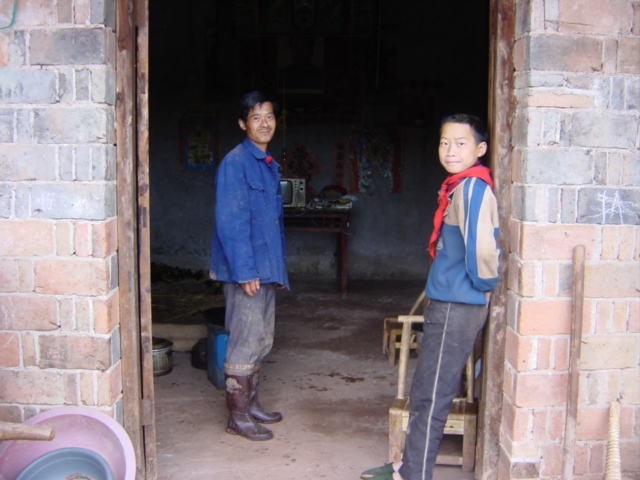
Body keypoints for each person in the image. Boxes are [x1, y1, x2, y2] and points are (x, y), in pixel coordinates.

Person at [361, 114, 500, 480]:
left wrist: (484, 289)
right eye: (444, 142)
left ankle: (413, 474)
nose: (450, 150)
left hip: (458, 305)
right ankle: (407, 466)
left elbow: (481, 250)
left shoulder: (472, 189)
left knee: (432, 396)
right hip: (449, 301)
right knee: (425, 390)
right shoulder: (459, 186)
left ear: (480, 148)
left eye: (461, 143)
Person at [209, 91, 289, 442]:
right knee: (244, 341)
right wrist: (245, 272)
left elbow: (271, 226)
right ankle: (237, 417)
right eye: (256, 117)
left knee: (261, 338)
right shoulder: (236, 162)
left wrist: (277, 272)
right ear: (243, 124)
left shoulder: (266, 164)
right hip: (247, 272)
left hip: (264, 269)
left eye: (269, 116)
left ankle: (251, 406)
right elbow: (232, 221)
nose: (264, 123)